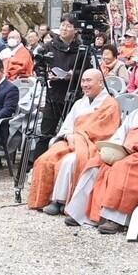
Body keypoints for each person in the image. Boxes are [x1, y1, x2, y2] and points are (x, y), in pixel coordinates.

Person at [66, 83, 138, 232]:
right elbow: (120, 134)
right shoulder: (136, 114)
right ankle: (80, 213)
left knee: (122, 168)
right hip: (125, 151)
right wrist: (114, 148)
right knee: (94, 163)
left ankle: (115, 218)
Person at [29, 70, 121, 213]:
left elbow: (105, 131)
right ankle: (44, 198)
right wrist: (68, 136)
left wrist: (78, 137)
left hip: (93, 146)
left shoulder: (110, 104)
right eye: (83, 81)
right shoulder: (79, 103)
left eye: (89, 81)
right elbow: (66, 126)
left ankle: (60, 201)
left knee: (70, 161)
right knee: (45, 159)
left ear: (101, 83)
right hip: (72, 141)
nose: (85, 85)